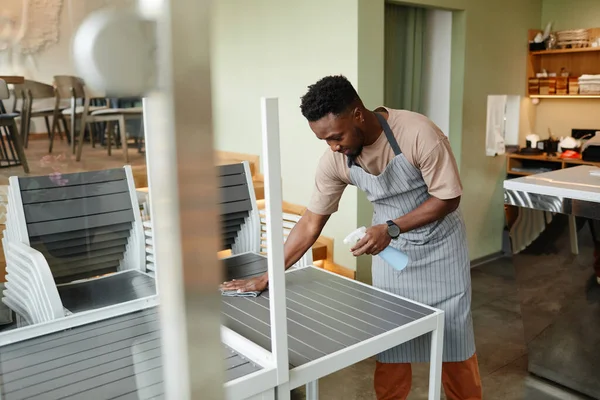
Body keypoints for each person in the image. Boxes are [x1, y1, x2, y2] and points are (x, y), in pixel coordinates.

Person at [220, 75, 482, 400]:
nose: (333, 146)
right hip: (392, 257)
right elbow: (311, 220)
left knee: (455, 350)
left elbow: (448, 197)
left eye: (336, 136)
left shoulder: (418, 134)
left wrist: (391, 228)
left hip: (441, 254)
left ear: (358, 114)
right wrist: (268, 274)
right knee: (391, 351)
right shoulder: (336, 159)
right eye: (324, 140)